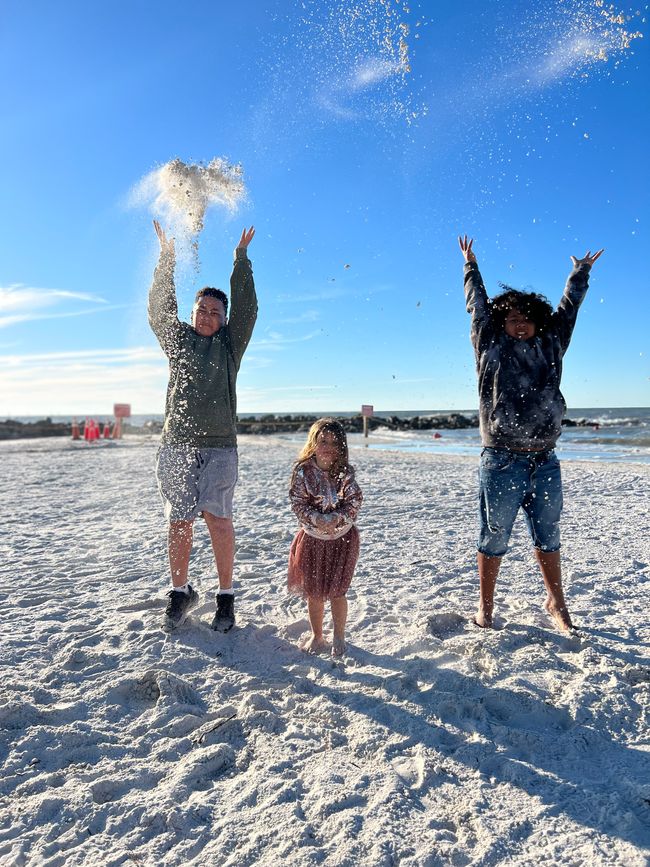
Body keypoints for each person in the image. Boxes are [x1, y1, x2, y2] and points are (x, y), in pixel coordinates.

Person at [458, 234, 604, 632]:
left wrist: (580, 273)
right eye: (512, 318)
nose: (519, 324)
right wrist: (471, 266)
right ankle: (485, 606)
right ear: (501, 321)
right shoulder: (488, 344)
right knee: (493, 536)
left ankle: (556, 601)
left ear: (537, 321)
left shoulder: (551, 343)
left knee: (548, 534)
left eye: (526, 318)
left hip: (545, 459)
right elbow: (476, 308)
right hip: (501, 458)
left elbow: (569, 310)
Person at [149, 219, 257, 632]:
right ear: (192, 314)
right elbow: (159, 309)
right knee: (179, 519)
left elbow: (248, 309)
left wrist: (241, 261)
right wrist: (166, 260)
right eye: (202, 310)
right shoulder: (178, 341)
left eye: (216, 311)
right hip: (176, 443)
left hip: (220, 447)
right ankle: (180, 590)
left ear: (224, 319)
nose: (208, 315)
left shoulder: (231, 345)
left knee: (218, 519)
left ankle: (225, 597)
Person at [288, 418, 363, 656]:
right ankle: (318, 635)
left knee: (338, 592)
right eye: (323, 441)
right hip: (312, 540)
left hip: (342, 539)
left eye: (334, 442)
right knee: (315, 593)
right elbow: (297, 503)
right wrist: (316, 519)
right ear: (313, 443)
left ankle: (339, 636)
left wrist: (337, 519)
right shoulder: (303, 471)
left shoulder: (344, 472)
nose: (328, 446)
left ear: (342, 445)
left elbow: (354, 501)